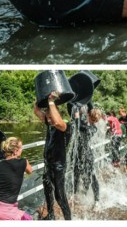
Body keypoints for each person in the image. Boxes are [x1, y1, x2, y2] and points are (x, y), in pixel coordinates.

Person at [33, 91, 71, 220]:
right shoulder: (50, 123)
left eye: (50, 117)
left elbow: (58, 123)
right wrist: (38, 100)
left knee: (60, 196)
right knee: (47, 191)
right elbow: (37, 111)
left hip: (58, 166)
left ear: (57, 114)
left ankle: (68, 219)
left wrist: (51, 101)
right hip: (48, 164)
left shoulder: (65, 126)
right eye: (47, 117)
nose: (48, 120)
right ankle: (51, 215)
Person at [0, 137, 34, 220]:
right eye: (21, 147)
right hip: (6, 210)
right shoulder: (23, 162)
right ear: (15, 151)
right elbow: (30, 171)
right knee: (28, 219)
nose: (22, 150)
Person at [73, 104, 100, 204]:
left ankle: (96, 200)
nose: (94, 122)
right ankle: (76, 194)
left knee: (92, 176)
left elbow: (77, 124)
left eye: (95, 120)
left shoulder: (91, 128)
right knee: (76, 174)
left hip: (87, 155)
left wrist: (76, 112)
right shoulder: (86, 123)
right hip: (78, 153)